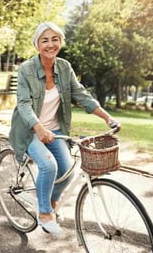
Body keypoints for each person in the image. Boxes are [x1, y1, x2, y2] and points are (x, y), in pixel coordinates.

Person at [9, 22, 120, 235]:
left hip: (56, 130)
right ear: (37, 44)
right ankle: (44, 214)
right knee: (48, 166)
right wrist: (39, 128)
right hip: (30, 130)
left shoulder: (64, 67)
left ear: (60, 42)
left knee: (68, 171)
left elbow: (80, 94)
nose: (50, 44)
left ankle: (50, 202)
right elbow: (23, 104)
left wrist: (107, 118)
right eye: (45, 40)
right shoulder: (26, 69)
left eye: (55, 39)